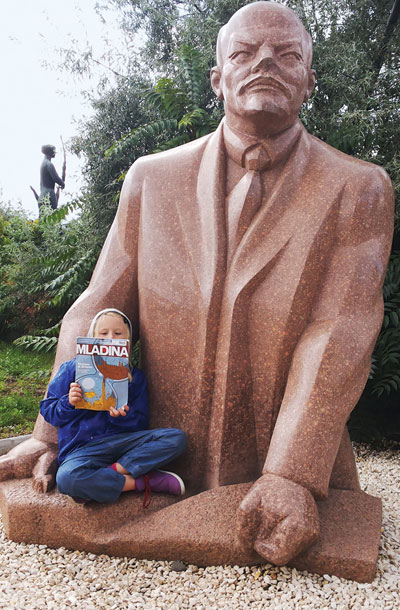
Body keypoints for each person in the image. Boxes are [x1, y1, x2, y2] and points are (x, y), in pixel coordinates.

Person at [0, 2, 393, 567]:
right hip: (148, 447)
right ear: (217, 78)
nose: (265, 63)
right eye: (244, 53)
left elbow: (342, 330)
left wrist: (292, 474)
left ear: (310, 78)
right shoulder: (152, 179)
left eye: (287, 55)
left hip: (274, 460)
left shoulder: (359, 188)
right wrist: (56, 435)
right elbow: (104, 308)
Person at [39, 308, 187, 504]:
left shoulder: (136, 378)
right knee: (67, 479)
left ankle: (108, 475)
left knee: (176, 438)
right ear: (93, 336)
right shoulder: (71, 369)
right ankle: (142, 481)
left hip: (122, 445)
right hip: (82, 450)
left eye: (117, 334)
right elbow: (48, 411)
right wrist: (69, 402)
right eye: (103, 333)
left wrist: (122, 416)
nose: (110, 338)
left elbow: (141, 422)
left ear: (127, 341)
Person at [39, 144, 65, 211]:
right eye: (53, 151)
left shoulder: (42, 164)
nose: (55, 153)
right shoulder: (49, 164)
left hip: (42, 195)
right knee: (52, 217)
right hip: (49, 194)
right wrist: (63, 184)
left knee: (43, 218)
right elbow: (56, 178)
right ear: (50, 152)